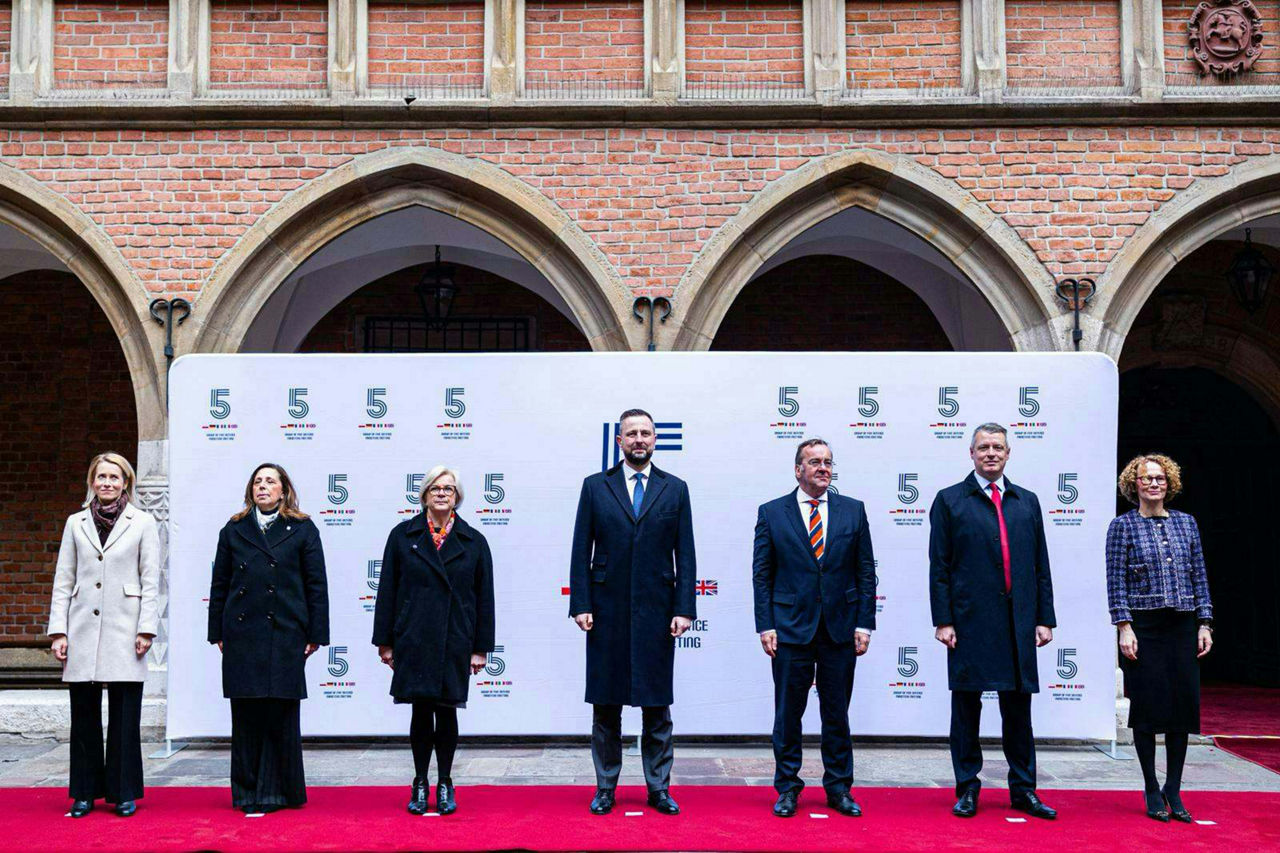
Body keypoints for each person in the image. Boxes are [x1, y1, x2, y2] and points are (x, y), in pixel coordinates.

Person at [569, 408, 696, 816]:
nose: (639, 439)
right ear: (619, 441)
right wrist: (581, 603)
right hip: (605, 613)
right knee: (606, 706)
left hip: (658, 613)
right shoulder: (595, 487)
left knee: (657, 707)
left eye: (645, 433)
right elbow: (579, 550)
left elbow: (686, 555)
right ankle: (606, 787)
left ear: (655, 440)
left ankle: (658, 789)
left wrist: (684, 609)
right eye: (631, 433)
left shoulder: (675, 489)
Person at [928, 423, 1057, 820]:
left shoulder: (1026, 501)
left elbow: (1040, 565)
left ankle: (1024, 790)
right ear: (971, 453)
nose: (990, 454)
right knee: (966, 709)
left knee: (1018, 712)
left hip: (1018, 623)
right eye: (983, 447)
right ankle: (967, 788)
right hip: (969, 623)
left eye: (997, 447)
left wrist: (1044, 618)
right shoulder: (950, 500)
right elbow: (940, 567)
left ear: (1008, 453)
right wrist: (944, 620)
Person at [751, 438, 876, 818]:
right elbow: (762, 574)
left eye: (828, 462)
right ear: (797, 469)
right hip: (790, 629)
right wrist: (765, 624)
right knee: (788, 714)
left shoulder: (853, 511)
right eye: (814, 462)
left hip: (840, 629)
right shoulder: (772, 512)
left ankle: (839, 788)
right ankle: (788, 788)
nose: (823, 468)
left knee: (836, 714)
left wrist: (865, 623)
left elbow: (865, 571)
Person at [372, 466, 495, 816]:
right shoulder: (401, 536)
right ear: (424, 494)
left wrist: (480, 647)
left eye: (449, 489)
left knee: (447, 710)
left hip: (455, 638)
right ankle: (420, 781)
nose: (442, 494)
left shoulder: (474, 541)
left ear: (457, 497)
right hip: (413, 637)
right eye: (436, 489)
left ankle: (444, 782)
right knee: (420, 711)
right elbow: (388, 592)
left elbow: (484, 599)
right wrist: (385, 641)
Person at [207, 462, 329, 814]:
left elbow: (316, 585)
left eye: (270, 481)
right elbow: (220, 585)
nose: (263, 486)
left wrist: (316, 633)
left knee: (281, 713)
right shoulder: (233, 530)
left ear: (283, 490)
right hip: (242, 633)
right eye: (258, 481)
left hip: (287, 632)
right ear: (251, 491)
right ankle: (246, 792)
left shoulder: (304, 530)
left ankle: (281, 791)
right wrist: (217, 630)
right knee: (245, 713)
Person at [48, 452, 160, 818]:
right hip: (81, 627)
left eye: (114, 477)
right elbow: (64, 579)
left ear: (125, 482)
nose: (107, 483)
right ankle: (84, 792)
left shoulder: (142, 522)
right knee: (83, 715)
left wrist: (147, 627)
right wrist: (58, 631)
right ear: (91, 481)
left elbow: (151, 580)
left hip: (126, 628)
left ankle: (123, 791)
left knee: (125, 716)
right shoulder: (75, 522)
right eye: (101, 477)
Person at [1107, 453, 1212, 823]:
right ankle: (1151, 786)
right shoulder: (1122, 527)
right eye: (1146, 478)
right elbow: (1115, 581)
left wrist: (1205, 623)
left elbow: (1199, 575)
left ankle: (1175, 788)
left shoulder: (1187, 524)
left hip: (1182, 625)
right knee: (1148, 711)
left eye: (1160, 478)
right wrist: (1124, 626)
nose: (1154, 483)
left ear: (1170, 483)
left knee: (1181, 710)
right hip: (1145, 628)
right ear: (1133, 485)